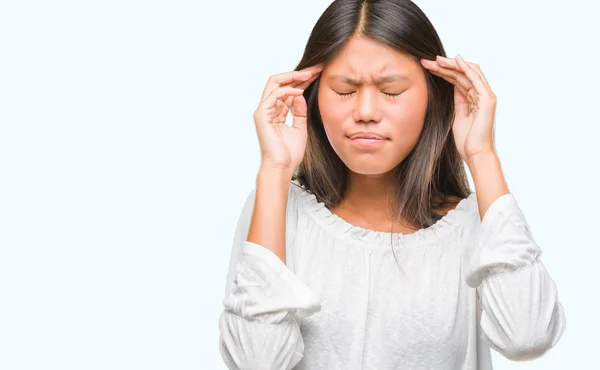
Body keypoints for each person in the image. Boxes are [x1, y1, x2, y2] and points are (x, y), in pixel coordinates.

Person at [218, 0, 566, 369]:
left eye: (392, 91)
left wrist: (482, 155)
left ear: (435, 96)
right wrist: (274, 170)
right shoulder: (277, 209)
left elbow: (527, 337)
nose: (366, 111)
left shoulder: (475, 224)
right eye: (344, 90)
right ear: (314, 96)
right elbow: (255, 362)